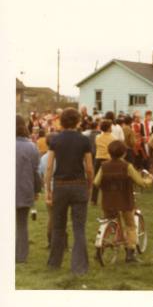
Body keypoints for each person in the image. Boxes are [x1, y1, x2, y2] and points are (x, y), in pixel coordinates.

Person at [45, 108, 94, 275]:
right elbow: (89, 168)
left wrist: (48, 190)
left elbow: (50, 167)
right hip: (79, 184)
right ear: (78, 121)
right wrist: (90, 186)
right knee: (79, 228)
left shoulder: (55, 140)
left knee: (58, 226)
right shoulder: (84, 141)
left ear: (62, 121)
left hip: (60, 185)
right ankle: (79, 267)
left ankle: (54, 263)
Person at [94, 140, 153, 262]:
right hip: (125, 201)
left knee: (110, 222)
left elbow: (96, 182)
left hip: (108, 201)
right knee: (130, 226)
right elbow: (140, 182)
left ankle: (100, 248)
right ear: (124, 153)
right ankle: (130, 253)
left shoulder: (104, 166)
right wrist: (149, 180)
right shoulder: (127, 166)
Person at [16, 115, 41, 263]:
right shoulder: (31, 147)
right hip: (24, 189)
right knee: (22, 224)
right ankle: (20, 256)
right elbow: (35, 171)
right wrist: (37, 190)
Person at [91, 120, 116, 205]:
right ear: (109, 128)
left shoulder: (98, 137)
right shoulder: (113, 138)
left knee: (96, 179)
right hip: (108, 159)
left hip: (98, 158)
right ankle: (110, 198)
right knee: (109, 180)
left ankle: (93, 199)